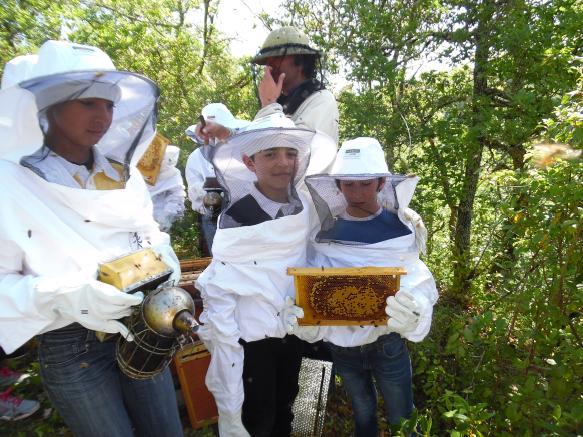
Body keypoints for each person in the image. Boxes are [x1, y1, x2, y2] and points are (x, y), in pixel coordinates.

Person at [0, 40, 183, 436]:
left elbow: (148, 234)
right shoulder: (9, 183)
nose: (103, 115)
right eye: (88, 102)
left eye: (109, 104)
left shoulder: (125, 175)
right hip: (71, 343)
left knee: (166, 430)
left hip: (144, 323)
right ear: (50, 104)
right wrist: (66, 294)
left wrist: (164, 256)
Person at [195, 113, 336, 437]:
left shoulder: (308, 205)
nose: (283, 163)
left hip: (305, 329)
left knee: (306, 412)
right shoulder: (236, 217)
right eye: (270, 154)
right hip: (255, 339)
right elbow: (223, 284)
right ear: (249, 162)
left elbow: (322, 253)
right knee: (261, 418)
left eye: (290, 153)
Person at [286, 137, 438, 436]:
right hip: (342, 346)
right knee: (363, 413)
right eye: (349, 184)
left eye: (365, 183)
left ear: (382, 182)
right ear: (338, 186)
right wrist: (307, 319)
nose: (356, 193)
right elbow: (315, 280)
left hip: (387, 343)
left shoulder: (402, 226)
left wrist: (417, 309)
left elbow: (417, 277)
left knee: (402, 418)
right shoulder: (323, 231)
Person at [195, 26, 339, 159]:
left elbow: (290, 154)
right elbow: (255, 147)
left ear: (301, 60)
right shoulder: (282, 105)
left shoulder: (322, 100)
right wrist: (223, 132)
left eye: (277, 58)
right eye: (267, 60)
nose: (270, 65)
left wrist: (269, 104)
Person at [185, 103, 250, 254]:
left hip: (245, 214)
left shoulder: (243, 150)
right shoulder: (196, 158)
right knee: (221, 260)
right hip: (213, 219)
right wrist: (208, 197)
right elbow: (195, 194)